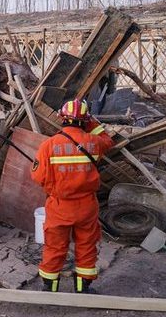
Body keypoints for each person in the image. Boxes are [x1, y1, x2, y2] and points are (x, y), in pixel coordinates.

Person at [30, 99, 114, 294]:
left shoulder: (48, 145)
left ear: (62, 118)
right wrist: (92, 124)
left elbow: (37, 176)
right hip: (86, 206)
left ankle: (50, 288)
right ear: (85, 120)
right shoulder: (94, 143)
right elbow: (108, 141)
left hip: (59, 206)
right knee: (86, 245)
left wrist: (53, 186)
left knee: (54, 247)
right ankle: (82, 288)